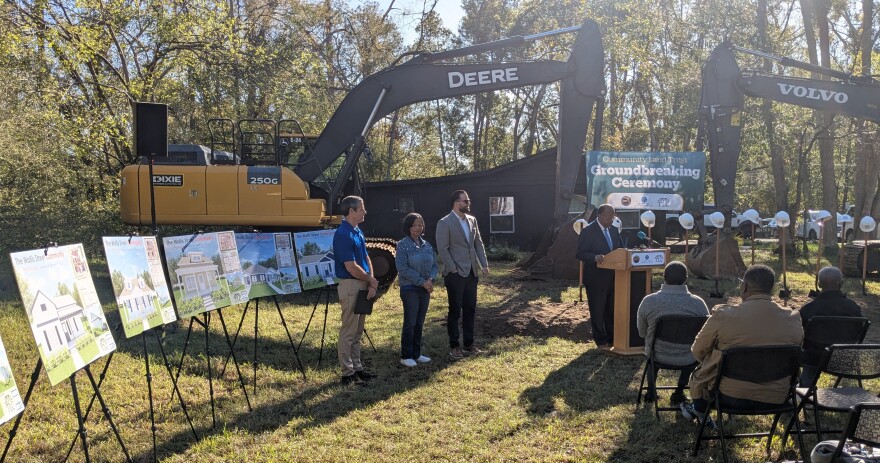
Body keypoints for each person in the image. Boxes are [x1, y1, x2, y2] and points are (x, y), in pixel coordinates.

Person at [681, 265, 803, 427]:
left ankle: (699, 409)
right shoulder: (793, 318)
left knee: (705, 370)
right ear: (771, 289)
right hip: (777, 397)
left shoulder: (724, 315)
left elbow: (698, 352)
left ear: (744, 286)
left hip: (728, 395)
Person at [636, 261, 709, 406]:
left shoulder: (649, 301)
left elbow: (642, 332)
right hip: (688, 356)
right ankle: (679, 391)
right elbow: (705, 334)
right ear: (685, 278)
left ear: (664, 278)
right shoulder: (699, 304)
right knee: (691, 353)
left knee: (651, 353)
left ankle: (651, 391)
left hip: (657, 354)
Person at [436, 190, 489, 359]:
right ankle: (455, 345)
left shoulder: (472, 220)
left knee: (470, 309)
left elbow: (478, 244)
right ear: (456, 203)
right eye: (465, 201)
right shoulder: (444, 223)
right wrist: (453, 269)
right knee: (454, 311)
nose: (468, 203)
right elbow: (443, 249)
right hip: (455, 274)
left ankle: (469, 343)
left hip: (472, 272)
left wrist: (484, 264)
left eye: (468, 201)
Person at [333, 195, 378, 386]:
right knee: (349, 331)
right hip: (351, 284)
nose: (365, 211)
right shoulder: (343, 233)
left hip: (363, 284)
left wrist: (371, 282)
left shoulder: (357, 231)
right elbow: (351, 266)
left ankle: (357, 368)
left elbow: (366, 258)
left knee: (358, 331)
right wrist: (370, 280)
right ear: (351, 211)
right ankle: (347, 373)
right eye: (362, 208)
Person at [797, 266, 863, 386]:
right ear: (841, 283)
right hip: (844, 359)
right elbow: (858, 333)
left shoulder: (809, 309)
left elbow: (799, 335)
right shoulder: (853, 308)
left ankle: (805, 391)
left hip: (813, 359)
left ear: (819, 284)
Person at [575, 204, 624, 350]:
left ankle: (612, 338)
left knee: (611, 310)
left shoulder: (615, 230)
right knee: (597, 311)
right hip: (595, 279)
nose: (611, 220)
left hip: (614, 277)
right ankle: (601, 341)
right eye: (608, 217)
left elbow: (620, 250)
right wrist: (595, 257)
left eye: (613, 216)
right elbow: (580, 253)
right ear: (599, 215)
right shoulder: (588, 231)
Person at [395, 213, 438, 367]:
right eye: (415, 225)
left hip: (425, 287)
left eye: (420, 224)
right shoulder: (402, 245)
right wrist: (422, 282)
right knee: (410, 322)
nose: (418, 228)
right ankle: (406, 355)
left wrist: (431, 280)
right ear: (408, 227)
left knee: (420, 322)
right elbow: (402, 268)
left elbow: (434, 266)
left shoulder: (427, 245)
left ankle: (416, 353)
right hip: (410, 288)